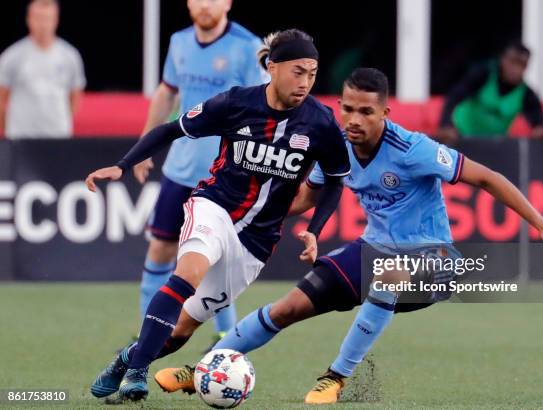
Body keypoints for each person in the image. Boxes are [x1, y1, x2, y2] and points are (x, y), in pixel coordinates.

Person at [155, 68, 543, 403]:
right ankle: (207, 368)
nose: (354, 120)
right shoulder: (335, 144)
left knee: (391, 276)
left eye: (366, 112)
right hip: (374, 250)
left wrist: (541, 223)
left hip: (436, 261)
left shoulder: (413, 150)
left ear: (385, 114)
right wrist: (249, 216)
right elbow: (309, 195)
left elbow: (487, 177)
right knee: (287, 307)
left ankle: (335, 377)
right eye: (348, 109)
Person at [86, 29, 351, 403]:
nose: (306, 81)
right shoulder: (235, 103)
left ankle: (127, 359)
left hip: (257, 242)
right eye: (297, 71)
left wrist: (315, 229)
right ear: (271, 67)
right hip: (214, 206)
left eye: (312, 72)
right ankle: (137, 373)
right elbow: (169, 130)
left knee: (180, 331)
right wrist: (122, 165)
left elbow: (336, 181)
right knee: (186, 275)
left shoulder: (321, 123)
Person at [134, 0, 269, 350]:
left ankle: (226, 337)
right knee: (161, 249)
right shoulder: (179, 42)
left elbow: (267, 104)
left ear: (227, 3)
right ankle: (147, 332)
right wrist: (146, 143)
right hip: (180, 168)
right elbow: (167, 92)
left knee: (217, 257)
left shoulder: (248, 46)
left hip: (226, 174)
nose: (205, 4)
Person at [0, 0, 86, 139]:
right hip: (21, 137)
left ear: (56, 20)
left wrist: (60, 123)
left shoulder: (70, 56)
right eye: (38, 18)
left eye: (47, 19)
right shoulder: (12, 56)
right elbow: (2, 100)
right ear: (29, 19)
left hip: (57, 136)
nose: (43, 25)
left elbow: (75, 96)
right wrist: (9, 132)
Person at [437, 41, 543, 145]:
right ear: (502, 60)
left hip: (494, 145)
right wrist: (446, 125)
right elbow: (454, 97)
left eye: (521, 65)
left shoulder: (526, 94)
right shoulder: (483, 75)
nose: (515, 69)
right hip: (462, 137)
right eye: (512, 62)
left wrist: (541, 130)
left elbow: (539, 122)